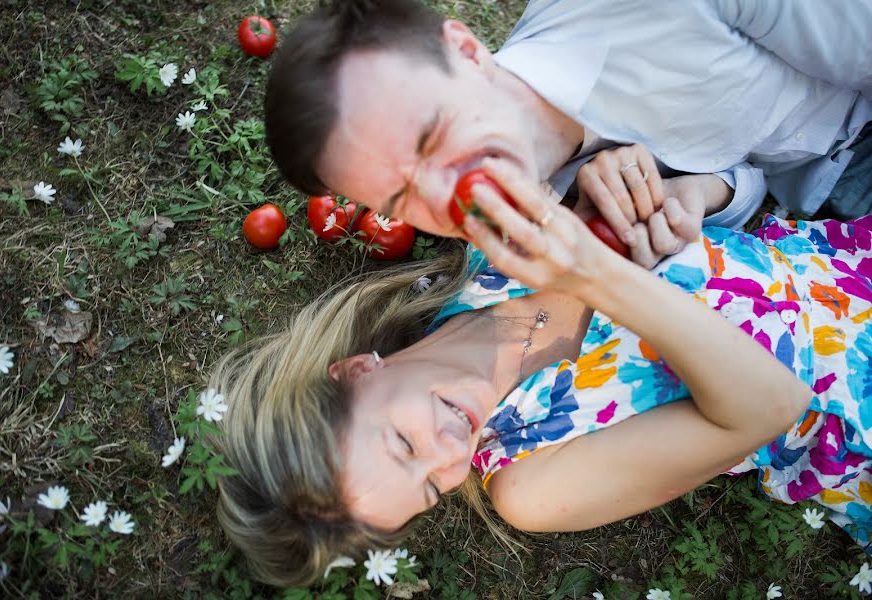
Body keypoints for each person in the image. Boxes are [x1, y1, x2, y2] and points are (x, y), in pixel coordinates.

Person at [208, 160, 872, 587]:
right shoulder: (531, 479)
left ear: (357, 371)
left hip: (841, 255)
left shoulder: (487, 258)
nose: (449, 455)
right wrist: (596, 272)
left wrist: (688, 188)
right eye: (433, 488)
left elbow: (729, 189)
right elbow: (769, 407)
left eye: (404, 444)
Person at [264, 0, 872, 267]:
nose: (448, 193)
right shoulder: (539, 232)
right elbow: (754, 176)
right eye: (402, 200)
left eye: (430, 137)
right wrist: (700, 194)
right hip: (828, 200)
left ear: (467, 50)